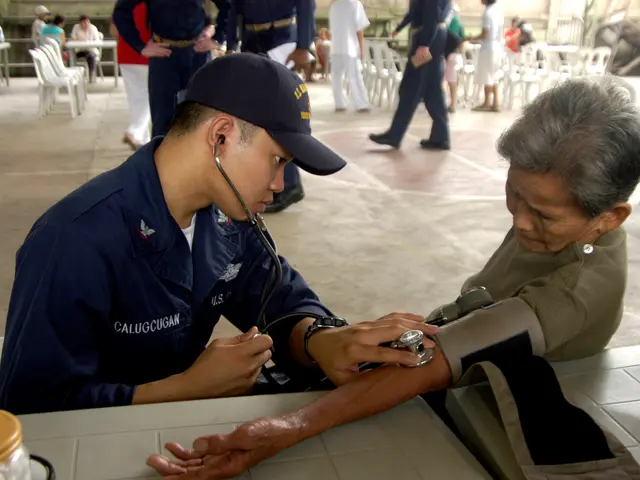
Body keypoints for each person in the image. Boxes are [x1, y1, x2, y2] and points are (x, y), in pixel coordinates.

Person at [146, 77, 640, 479]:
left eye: (545, 216)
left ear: (609, 219)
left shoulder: (576, 290)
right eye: (516, 196)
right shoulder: (558, 220)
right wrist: (323, 338)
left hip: (492, 392)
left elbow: (448, 355)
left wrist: (285, 426)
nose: (522, 222)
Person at [0, 53, 437, 416]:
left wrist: (320, 339)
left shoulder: (228, 221)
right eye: (278, 160)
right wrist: (185, 389)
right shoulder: (73, 239)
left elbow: (280, 298)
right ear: (221, 136)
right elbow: (31, 405)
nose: (280, 186)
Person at [225, 1, 316, 214]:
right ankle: (265, 182)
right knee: (255, 118)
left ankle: (291, 184)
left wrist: (303, 45)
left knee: (282, 116)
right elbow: (233, 7)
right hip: (250, 42)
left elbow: (306, 5)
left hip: (283, 42)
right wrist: (230, 44)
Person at [112, 0, 230, 139]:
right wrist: (140, 46)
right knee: (162, 121)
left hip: (197, 54)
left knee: (201, 117)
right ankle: (162, 159)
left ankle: (200, 159)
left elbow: (228, 5)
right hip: (164, 56)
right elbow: (121, 12)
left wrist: (218, 39)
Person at [369, 0, 452, 151]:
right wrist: (400, 27)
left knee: (410, 87)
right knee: (433, 91)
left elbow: (431, 13)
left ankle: (394, 135)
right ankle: (441, 137)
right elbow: (417, 11)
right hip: (433, 38)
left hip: (427, 41)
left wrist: (425, 44)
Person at [110, 2, 152, 150]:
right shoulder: (153, 4)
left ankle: (143, 140)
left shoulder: (123, 4)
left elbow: (114, 30)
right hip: (149, 54)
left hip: (125, 55)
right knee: (149, 97)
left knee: (136, 99)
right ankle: (134, 131)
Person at [328, 0, 371, 113]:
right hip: (349, 45)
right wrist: (361, 48)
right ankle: (361, 104)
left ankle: (339, 103)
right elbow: (359, 29)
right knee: (355, 76)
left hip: (336, 45)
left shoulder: (334, 6)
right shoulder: (355, 4)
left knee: (337, 76)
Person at [467, 0, 504, 112]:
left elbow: (485, 33)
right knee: (494, 74)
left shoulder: (487, 13)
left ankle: (487, 102)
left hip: (489, 47)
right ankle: (495, 102)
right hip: (498, 46)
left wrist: (471, 38)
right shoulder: (498, 11)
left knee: (487, 75)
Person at [444, 4, 465, 113]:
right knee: (452, 80)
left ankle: (442, 103)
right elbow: (462, 41)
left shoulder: (445, 21)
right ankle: (452, 104)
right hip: (455, 55)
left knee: (442, 80)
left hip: (444, 54)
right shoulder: (459, 23)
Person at [71, 15, 101, 83]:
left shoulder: (93, 28)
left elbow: (97, 40)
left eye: (87, 22)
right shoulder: (76, 27)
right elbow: (72, 38)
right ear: (80, 22)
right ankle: (73, 76)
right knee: (71, 56)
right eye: (83, 22)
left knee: (91, 56)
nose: (85, 24)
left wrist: (88, 42)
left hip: (91, 50)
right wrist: (79, 41)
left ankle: (91, 75)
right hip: (80, 50)